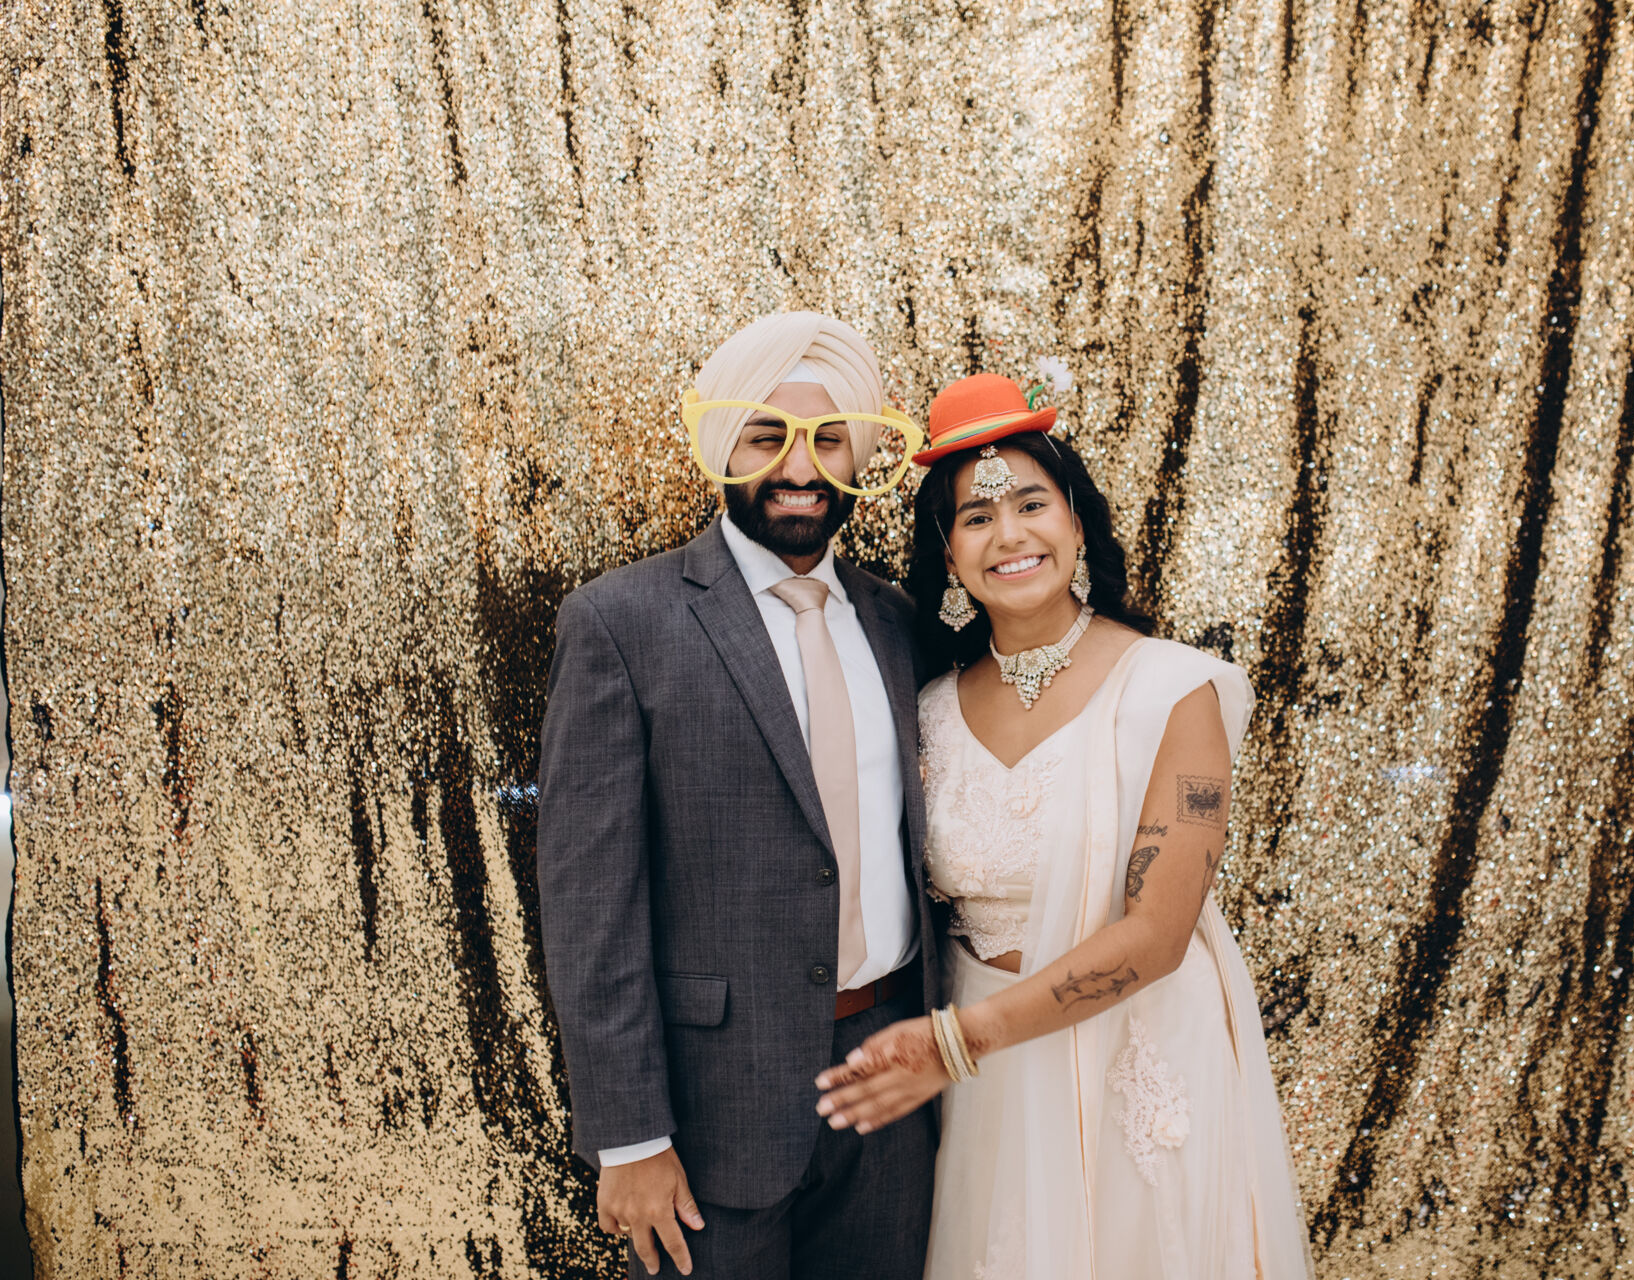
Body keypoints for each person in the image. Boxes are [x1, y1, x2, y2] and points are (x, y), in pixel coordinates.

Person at [814, 373, 1316, 1279]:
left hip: (1133, 1052)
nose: (1009, 535)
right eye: (976, 517)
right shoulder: (926, 711)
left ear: (1078, 524)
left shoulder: (1174, 690)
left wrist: (960, 1041)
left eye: (1032, 504)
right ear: (949, 554)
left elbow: (1158, 936)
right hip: (983, 1080)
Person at [538, 312, 941, 1279]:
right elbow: (590, 905)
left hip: (893, 1085)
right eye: (767, 437)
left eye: (829, 440)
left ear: (858, 456)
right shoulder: (620, 622)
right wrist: (630, 1136)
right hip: (710, 1111)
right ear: (724, 447)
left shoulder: (897, 623)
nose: (801, 468)